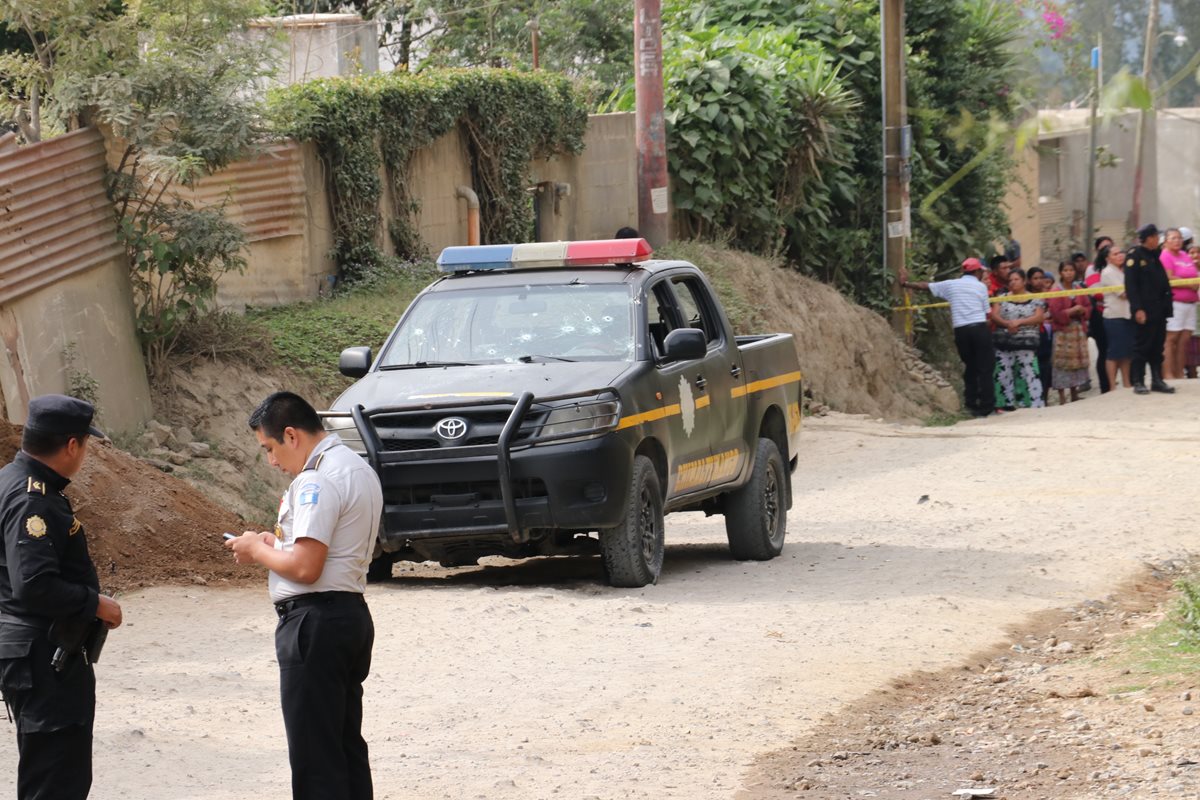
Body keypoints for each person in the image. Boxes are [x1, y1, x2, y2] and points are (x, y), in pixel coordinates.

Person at [226, 392, 383, 800]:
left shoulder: (315, 478)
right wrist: (274, 544)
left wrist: (255, 550)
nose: (272, 461)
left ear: (291, 435)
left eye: (270, 448)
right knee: (344, 746)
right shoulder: (356, 467)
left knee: (315, 757)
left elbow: (306, 567)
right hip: (347, 613)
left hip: (314, 622)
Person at [0, 395, 123, 800]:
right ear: (72, 445)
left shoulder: (10, 481)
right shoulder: (32, 498)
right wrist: (96, 604)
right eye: (85, 444)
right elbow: (34, 583)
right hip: (45, 655)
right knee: (56, 780)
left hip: (32, 651)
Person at [900, 258, 994, 417]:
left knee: (970, 366)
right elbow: (987, 313)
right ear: (978, 272)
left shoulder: (951, 284)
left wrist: (905, 284)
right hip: (979, 328)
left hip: (961, 331)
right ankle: (986, 407)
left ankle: (971, 404)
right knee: (985, 368)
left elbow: (925, 286)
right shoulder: (981, 287)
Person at [1125, 223, 1175, 394]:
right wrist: (1137, 309)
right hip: (1145, 310)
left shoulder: (1155, 255)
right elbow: (1131, 286)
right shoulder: (1135, 256)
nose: (1157, 240)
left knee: (1157, 345)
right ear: (1149, 238)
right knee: (1142, 346)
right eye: (1155, 237)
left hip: (1159, 309)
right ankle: (1138, 381)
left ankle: (1157, 380)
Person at [989, 268, 1046, 409]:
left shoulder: (1035, 299)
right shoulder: (1002, 297)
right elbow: (994, 315)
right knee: (1003, 373)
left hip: (1026, 343)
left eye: (1016, 279)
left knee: (1028, 372)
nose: (1012, 283)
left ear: (1024, 281)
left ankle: (1031, 403)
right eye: (1010, 280)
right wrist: (1007, 324)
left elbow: (1039, 317)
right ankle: (1004, 404)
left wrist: (1019, 322)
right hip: (1004, 343)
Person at [1047, 261, 1091, 404]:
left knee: (1076, 362)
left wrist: (1082, 310)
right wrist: (1071, 311)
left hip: (1077, 330)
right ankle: (1061, 397)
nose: (1068, 273)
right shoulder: (1055, 291)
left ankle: (1074, 393)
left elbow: (1088, 305)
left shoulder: (1078, 288)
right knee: (1062, 362)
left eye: (1071, 270)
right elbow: (1055, 312)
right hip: (1063, 332)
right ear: (1060, 273)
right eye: (1065, 270)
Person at [1159, 228, 1197, 380]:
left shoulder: (1185, 256)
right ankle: (1168, 373)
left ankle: (1179, 372)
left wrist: (1190, 282)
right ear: (1166, 241)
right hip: (1175, 302)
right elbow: (1169, 278)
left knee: (1184, 340)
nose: (1177, 241)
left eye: (1179, 238)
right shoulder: (1165, 255)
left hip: (1191, 302)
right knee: (1171, 339)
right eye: (1173, 238)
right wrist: (1188, 284)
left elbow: (1193, 275)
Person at [1099, 244, 1134, 389]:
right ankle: (1112, 386)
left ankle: (1126, 383)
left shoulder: (1125, 270)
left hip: (1127, 315)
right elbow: (1123, 294)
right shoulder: (1108, 272)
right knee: (1114, 352)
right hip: (1114, 317)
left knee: (1126, 352)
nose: (1120, 256)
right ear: (1108, 258)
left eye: (1121, 253)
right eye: (1115, 254)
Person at [1086, 238, 1114, 393]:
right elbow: (1096, 292)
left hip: (1118, 313)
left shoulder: (1118, 266)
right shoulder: (1092, 269)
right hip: (1100, 314)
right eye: (1104, 247)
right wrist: (1115, 293)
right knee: (1104, 351)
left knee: (1118, 351)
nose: (1107, 250)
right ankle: (1105, 387)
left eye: (1110, 246)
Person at [1026, 267, 1054, 402]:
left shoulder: (1048, 295)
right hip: (1030, 334)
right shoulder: (1024, 296)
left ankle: (1045, 397)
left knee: (1046, 365)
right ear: (1029, 281)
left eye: (1041, 278)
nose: (1039, 281)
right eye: (1035, 278)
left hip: (1046, 334)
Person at [1188, 241, 1200, 379]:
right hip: (1193, 307)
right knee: (1192, 344)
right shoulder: (1188, 271)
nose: (1195, 255)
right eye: (1191, 252)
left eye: (1197, 252)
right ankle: (1192, 374)